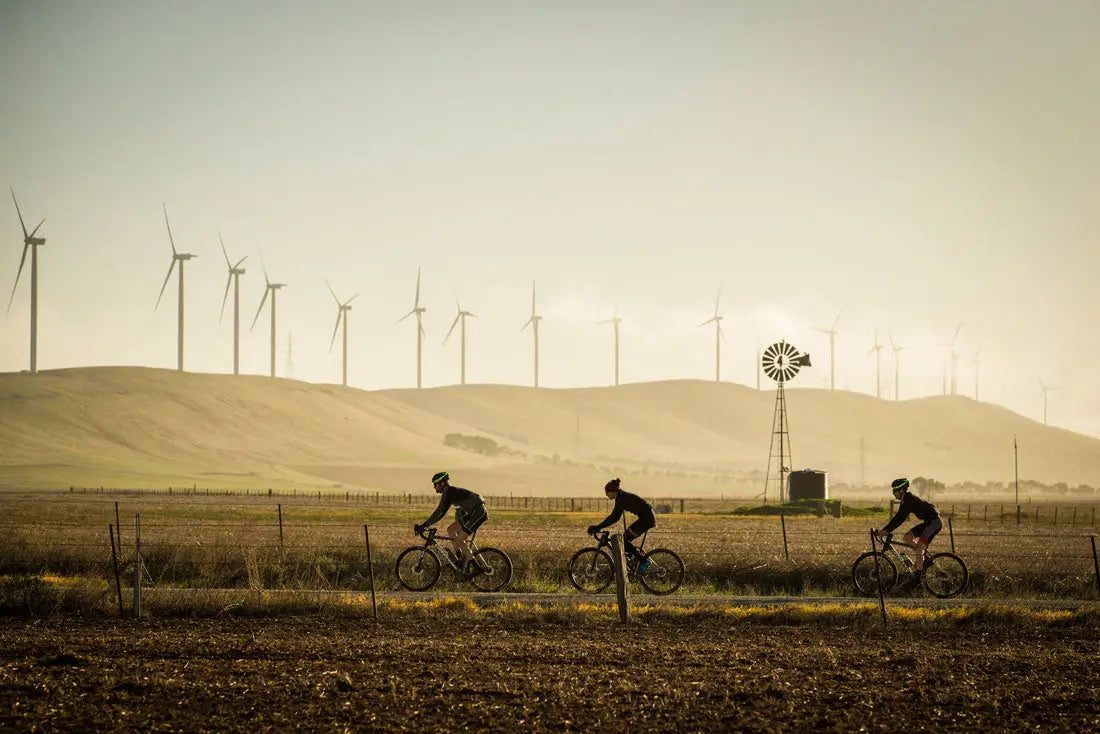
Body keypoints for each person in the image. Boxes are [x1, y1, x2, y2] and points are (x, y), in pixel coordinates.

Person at [414, 471, 488, 572]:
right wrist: (427, 524)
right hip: (472, 513)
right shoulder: (449, 493)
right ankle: (459, 559)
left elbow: (439, 510)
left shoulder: (448, 492)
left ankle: (476, 567)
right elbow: (441, 513)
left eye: (435, 484)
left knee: (459, 540)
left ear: (442, 483)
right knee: (451, 530)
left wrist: (425, 524)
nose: (434, 487)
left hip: (478, 513)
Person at [875, 477, 942, 583]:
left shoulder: (909, 500)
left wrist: (885, 531)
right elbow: (898, 518)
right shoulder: (906, 500)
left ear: (901, 490)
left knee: (919, 548)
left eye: (894, 491)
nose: (893, 493)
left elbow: (899, 519)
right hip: (928, 522)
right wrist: (885, 530)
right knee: (907, 537)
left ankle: (918, 578)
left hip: (933, 523)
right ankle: (925, 560)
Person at [587, 478, 656, 573]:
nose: (606, 494)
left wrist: (598, 527)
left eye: (607, 492)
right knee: (625, 541)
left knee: (624, 540)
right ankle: (634, 559)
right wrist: (599, 526)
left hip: (647, 519)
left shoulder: (622, 499)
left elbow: (614, 517)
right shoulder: (621, 497)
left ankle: (644, 561)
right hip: (646, 517)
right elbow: (614, 517)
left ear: (613, 491)